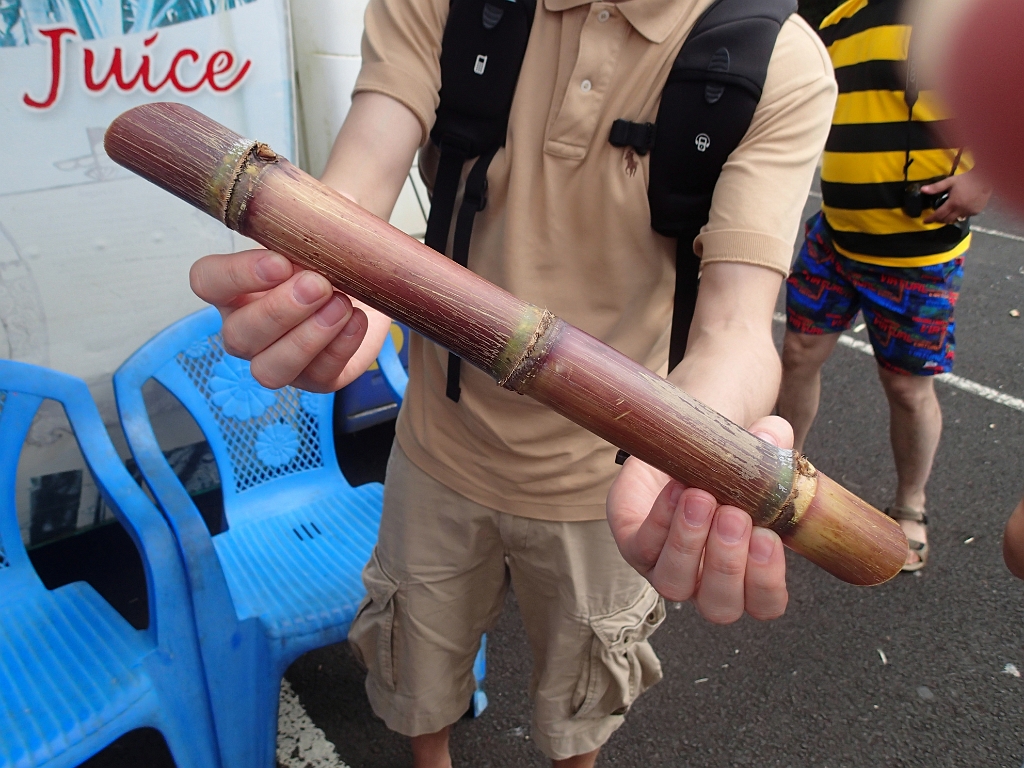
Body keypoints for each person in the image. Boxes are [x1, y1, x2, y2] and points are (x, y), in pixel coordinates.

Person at [188, 0, 836, 764]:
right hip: (438, 448)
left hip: (606, 477)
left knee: (581, 703)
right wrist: (330, 273)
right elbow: (358, 186)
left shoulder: (777, 61)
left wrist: (688, 442)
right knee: (414, 669)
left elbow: (736, 329)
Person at [776, 0, 992, 574]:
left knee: (906, 388)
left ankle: (910, 506)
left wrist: (986, 176)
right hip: (834, 236)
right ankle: (779, 480)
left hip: (916, 253)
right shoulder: (837, 17)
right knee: (797, 355)